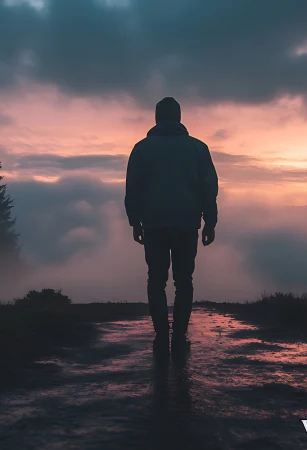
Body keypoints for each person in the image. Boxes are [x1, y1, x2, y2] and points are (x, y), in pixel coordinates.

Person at [125, 97, 218, 354]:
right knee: (183, 280)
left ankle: (160, 337)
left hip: (153, 224)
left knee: (156, 280)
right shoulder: (198, 148)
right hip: (187, 224)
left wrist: (135, 222)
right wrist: (209, 222)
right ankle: (178, 337)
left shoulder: (142, 149)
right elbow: (208, 189)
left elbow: (133, 188)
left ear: (156, 118)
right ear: (179, 117)